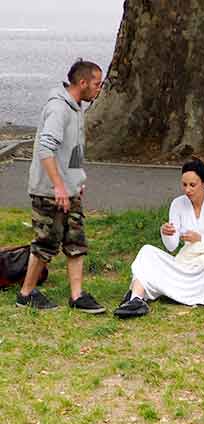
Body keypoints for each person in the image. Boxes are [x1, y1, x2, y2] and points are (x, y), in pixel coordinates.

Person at [16, 59, 106, 313]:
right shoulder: (58, 108)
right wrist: (58, 187)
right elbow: (46, 149)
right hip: (49, 191)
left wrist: (76, 180)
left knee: (76, 241)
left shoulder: (77, 109)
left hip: (70, 189)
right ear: (82, 82)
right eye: (97, 84)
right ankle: (26, 294)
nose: (99, 89)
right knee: (46, 243)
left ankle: (77, 296)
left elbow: (76, 149)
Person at [114, 159, 204, 324]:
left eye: (192, 185)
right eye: (184, 185)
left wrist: (200, 239)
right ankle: (135, 300)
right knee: (147, 251)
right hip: (185, 263)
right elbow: (171, 247)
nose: (187, 190)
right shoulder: (177, 204)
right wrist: (167, 233)